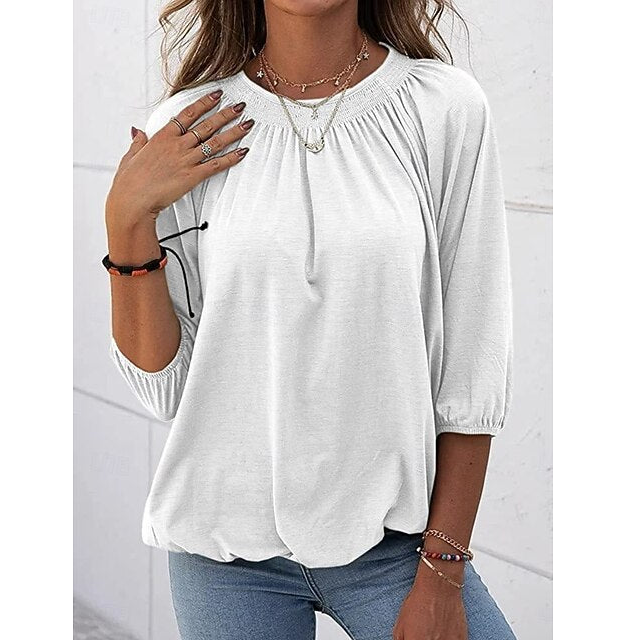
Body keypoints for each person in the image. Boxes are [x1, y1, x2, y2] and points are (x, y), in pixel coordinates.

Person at [103, 1, 516, 638]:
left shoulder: (443, 109)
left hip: (398, 549)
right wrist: (125, 220)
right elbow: (168, 387)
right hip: (224, 553)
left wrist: (444, 568)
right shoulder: (192, 127)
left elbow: (472, 365)